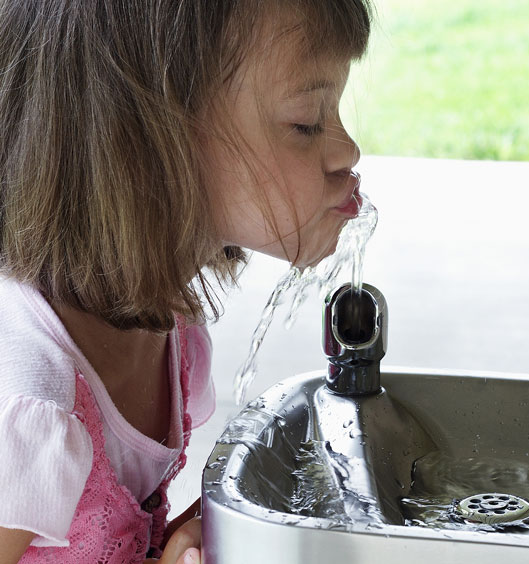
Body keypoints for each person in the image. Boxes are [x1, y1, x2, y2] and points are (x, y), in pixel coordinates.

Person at [0, 0, 371, 562]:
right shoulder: (28, 402)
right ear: (147, 142)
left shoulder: (171, 332)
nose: (347, 149)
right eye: (306, 122)